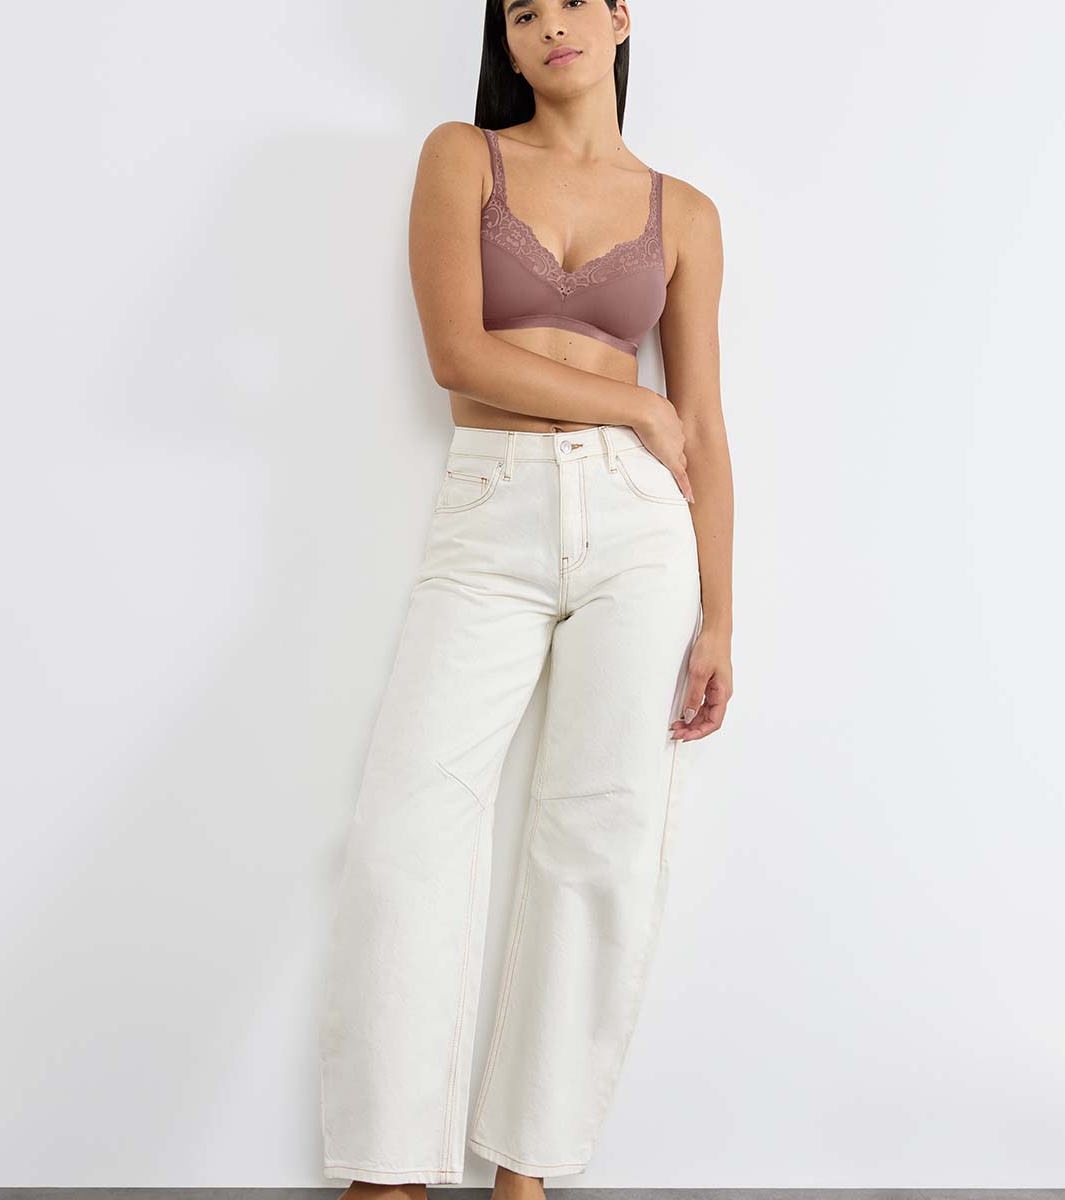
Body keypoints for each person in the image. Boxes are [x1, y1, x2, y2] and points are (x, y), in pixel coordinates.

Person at [319, 1, 734, 1196]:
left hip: (640, 529)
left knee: (599, 838)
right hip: (490, 506)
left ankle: (527, 1171)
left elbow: (704, 425)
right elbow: (458, 354)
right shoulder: (463, 157)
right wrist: (633, 403)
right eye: (521, 12)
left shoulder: (684, 212)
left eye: (570, 1)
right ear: (505, 44)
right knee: (407, 828)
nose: (551, 24)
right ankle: (387, 1169)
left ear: (620, 18)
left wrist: (721, 614)